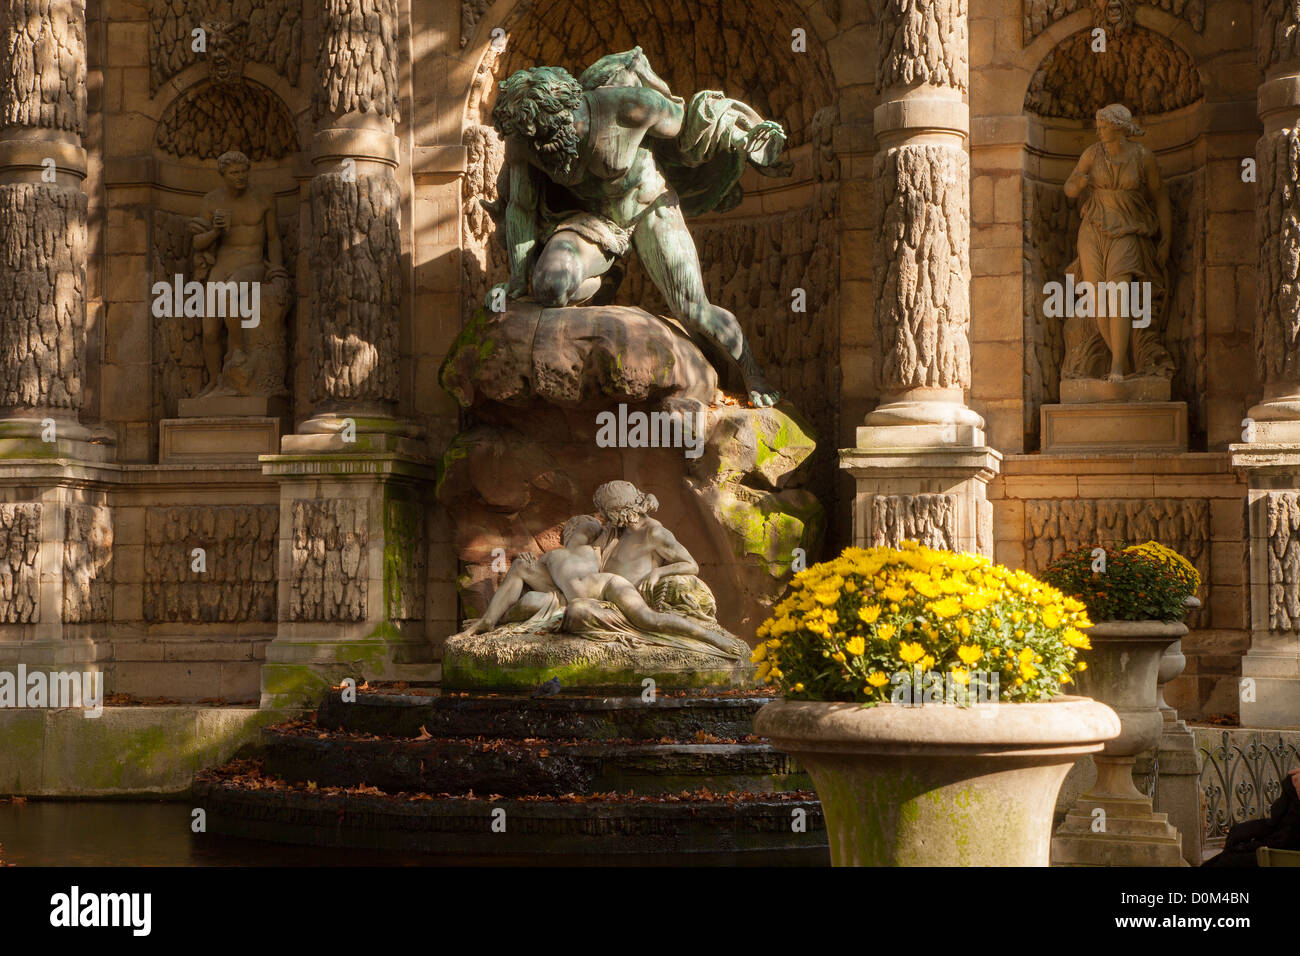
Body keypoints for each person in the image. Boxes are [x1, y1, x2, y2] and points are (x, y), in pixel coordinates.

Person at [486, 49, 788, 407]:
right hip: (591, 222)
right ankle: (604, 282)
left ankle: (752, 372)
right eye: (528, 139)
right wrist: (519, 282)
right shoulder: (526, 140)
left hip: (648, 205)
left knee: (692, 308)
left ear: (564, 115)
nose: (536, 148)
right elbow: (521, 207)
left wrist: (739, 138)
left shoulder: (626, 106)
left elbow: (685, 133)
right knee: (548, 287)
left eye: (542, 135)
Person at [455, 514, 731, 652]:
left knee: (649, 620)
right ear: (569, 531)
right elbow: (525, 574)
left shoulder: (599, 549)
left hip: (607, 587)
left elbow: (623, 534)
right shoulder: (551, 557)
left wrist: (656, 571)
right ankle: (488, 622)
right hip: (566, 598)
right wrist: (525, 560)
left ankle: (711, 638)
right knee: (521, 571)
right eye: (582, 524)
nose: (588, 526)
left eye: (593, 525)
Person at [1061, 103, 1172, 382]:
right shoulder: (1092, 154)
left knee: (1120, 295)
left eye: (1104, 125)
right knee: (1098, 298)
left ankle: (1119, 367)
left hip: (1129, 230)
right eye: (1098, 125)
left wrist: (1167, 237)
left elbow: (1160, 196)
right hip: (1094, 229)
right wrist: (1078, 184)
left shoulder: (1143, 157)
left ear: (1119, 127)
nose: (1098, 130)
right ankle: (1125, 362)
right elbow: (1069, 188)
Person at [188, 151, 285, 395]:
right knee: (209, 329)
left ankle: (238, 352)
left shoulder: (264, 198)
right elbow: (198, 244)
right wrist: (216, 232)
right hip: (223, 264)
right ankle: (213, 380)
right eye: (234, 173)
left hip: (252, 263)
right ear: (223, 175)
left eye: (244, 171)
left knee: (229, 294)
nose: (240, 177)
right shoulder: (212, 201)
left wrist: (277, 269)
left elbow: (273, 239)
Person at [1202, 768, 1300, 866]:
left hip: (1285, 850)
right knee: (1237, 833)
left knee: (1229, 860)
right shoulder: (1294, 779)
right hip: (1279, 836)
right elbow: (1276, 819)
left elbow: (1284, 838)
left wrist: (1248, 847)